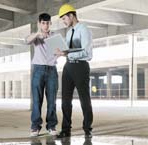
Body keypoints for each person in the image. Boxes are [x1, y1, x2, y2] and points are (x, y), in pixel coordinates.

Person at [55, 3, 93, 139]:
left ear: (71, 15)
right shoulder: (69, 32)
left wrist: (67, 54)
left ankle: (88, 128)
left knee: (84, 99)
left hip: (80, 67)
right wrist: (61, 52)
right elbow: (69, 50)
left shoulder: (83, 29)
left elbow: (87, 52)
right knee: (65, 100)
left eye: (64, 18)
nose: (64, 21)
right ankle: (66, 129)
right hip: (68, 67)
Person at [25, 13, 59, 137]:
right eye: (43, 23)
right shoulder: (36, 37)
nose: (45, 25)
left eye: (47, 23)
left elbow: (61, 50)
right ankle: (35, 127)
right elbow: (26, 41)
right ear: (40, 24)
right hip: (38, 70)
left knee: (52, 100)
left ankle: (51, 126)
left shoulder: (55, 36)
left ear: (50, 23)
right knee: (36, 100)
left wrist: (60, 52)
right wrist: (37, 34)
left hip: (52, 70)